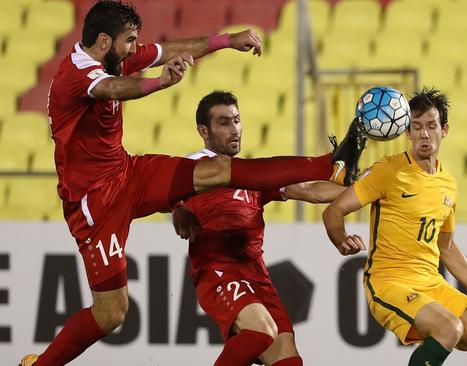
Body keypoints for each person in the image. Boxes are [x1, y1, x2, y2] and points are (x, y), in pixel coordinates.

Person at [20, 2, 365, 365]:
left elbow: (165, 50)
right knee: (111, 314)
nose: (137, 49)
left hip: (127, 173)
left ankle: (330, 164)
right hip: (94, 203)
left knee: (219, 169)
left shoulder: (115, 56)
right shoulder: (77, 73)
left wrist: (226, 41)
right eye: (130, 41)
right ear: (104, 41)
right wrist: (159, 82)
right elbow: (114, 89)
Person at [322, 87, 467, 366]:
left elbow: (445, 246)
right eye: (417, 127)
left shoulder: (448, 183)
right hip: (389, 281)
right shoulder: (388, 170)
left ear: (444, 130)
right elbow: (334, 210)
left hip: (431, 282)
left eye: (431, 126)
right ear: (407, 132)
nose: (424, 134)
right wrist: (340, 238)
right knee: (449, 328)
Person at [171, 90, 348, 366]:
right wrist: (177, 208)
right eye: (224, 123)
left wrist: (361, 189)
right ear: (203, 131)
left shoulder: (250, 174)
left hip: (257, 277)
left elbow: (311, 191)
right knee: (260, 332)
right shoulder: (194, 166)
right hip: (218, 272)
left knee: (288, 360)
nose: (234, 130)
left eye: (237, 120)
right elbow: (164, 192)